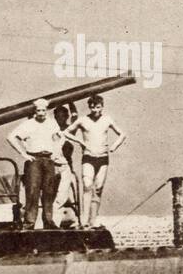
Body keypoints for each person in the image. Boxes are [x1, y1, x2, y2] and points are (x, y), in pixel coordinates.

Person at [61, 95, 127, 226]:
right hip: (88, 157)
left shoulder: (107, 119)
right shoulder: (83, 120)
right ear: (89, 107)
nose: (95, 110)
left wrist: (114, 146)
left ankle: (93, 220)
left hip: (103, 157)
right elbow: (66, 132)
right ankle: (83, 220)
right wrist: (80, 140)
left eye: (98, 107)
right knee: (87, 185)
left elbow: (122, 134)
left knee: (98, 188)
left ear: (102, 107)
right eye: (92, 107)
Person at [7, 99, 64, 229]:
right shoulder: (28, 124)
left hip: (49, 159)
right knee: (32, 191)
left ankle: (48, 221)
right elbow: (11, 137)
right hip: (34, 160)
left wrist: (56, 152)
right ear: (34, 111)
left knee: (49, 192)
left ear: (46, 111)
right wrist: (24, 154)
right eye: (38, 110)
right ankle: (29, 222)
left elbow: (61, 137)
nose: (41, 113)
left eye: (43, 110)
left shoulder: (51, 123)